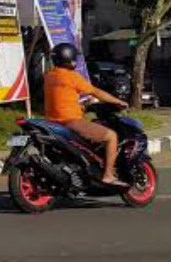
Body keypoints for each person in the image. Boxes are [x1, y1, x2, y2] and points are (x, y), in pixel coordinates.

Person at [44, 43, 129, 186]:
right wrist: (118, 101)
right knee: (111, 136)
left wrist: (82, 105)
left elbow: (63, 96)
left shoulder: (49, 76)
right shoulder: (72, 76)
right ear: (70, 59)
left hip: (52, 122)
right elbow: (95, 92)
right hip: (70, 122)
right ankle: (108, 175)